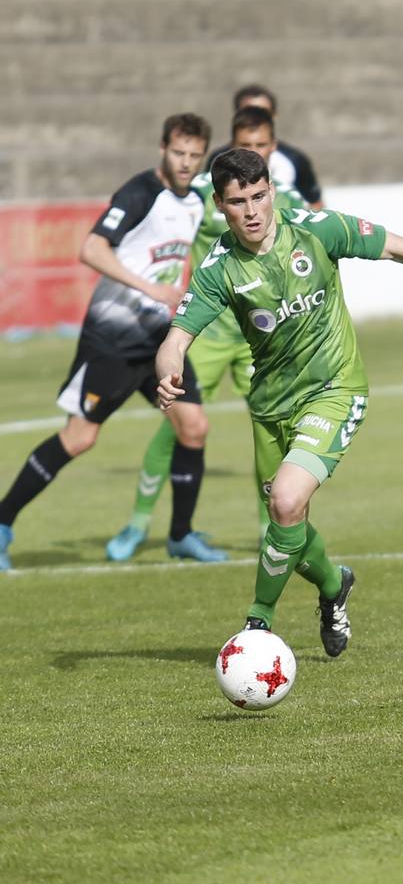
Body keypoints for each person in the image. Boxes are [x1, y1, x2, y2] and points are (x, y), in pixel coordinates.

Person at [156, 148, 403, 656]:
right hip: (270, 408)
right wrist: (169, 370)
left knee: (284, 501)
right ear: (221, 205)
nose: (253, 211)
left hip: (335, 390)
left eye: (260, 196)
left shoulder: (316, 229)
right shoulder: (220, 268)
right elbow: (176, 338)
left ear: (272, 192)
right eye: (239, 202)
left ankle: (256, 625)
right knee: (289, 523)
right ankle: (333, 585)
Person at [0, 113, 224, 571]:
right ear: (162, 148)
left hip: (158, 340)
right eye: (178, 153)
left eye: (193, 156)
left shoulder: (195, 202)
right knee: (80, 438)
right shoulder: (139, 192)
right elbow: (92, 248)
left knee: (194, 426)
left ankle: (180, 535)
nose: (185, 163)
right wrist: (153, 290)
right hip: (114, 339)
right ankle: (2, 522)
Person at [106, 106, 306, 561]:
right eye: (244, 144)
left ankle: (269, 531)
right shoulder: (202, 193)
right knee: (177, 425)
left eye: (260, 145)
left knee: (270, 435)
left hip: (263, 341)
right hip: (208, 335)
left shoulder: (287, 198)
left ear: (273, 147)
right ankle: (138, 523)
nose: (253, 152)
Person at [208, 84, 322, 208]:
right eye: (248, 110)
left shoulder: (294, 159)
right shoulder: (218, 160)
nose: (253, 151)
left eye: (264, 112)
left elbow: (315, 204)